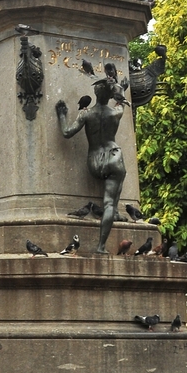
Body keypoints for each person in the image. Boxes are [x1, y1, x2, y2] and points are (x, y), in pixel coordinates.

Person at [56, 79, 126, 253]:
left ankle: (113, 216)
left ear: (95, 93)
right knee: (109, 203)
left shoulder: (86, 114)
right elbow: (121, 99)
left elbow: (66, 133)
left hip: (95, 161)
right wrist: (119, 88)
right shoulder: (116, 112)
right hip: (114, 157)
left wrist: (62, 115)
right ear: (110, 95)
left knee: (110, 199)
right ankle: (101, 246)